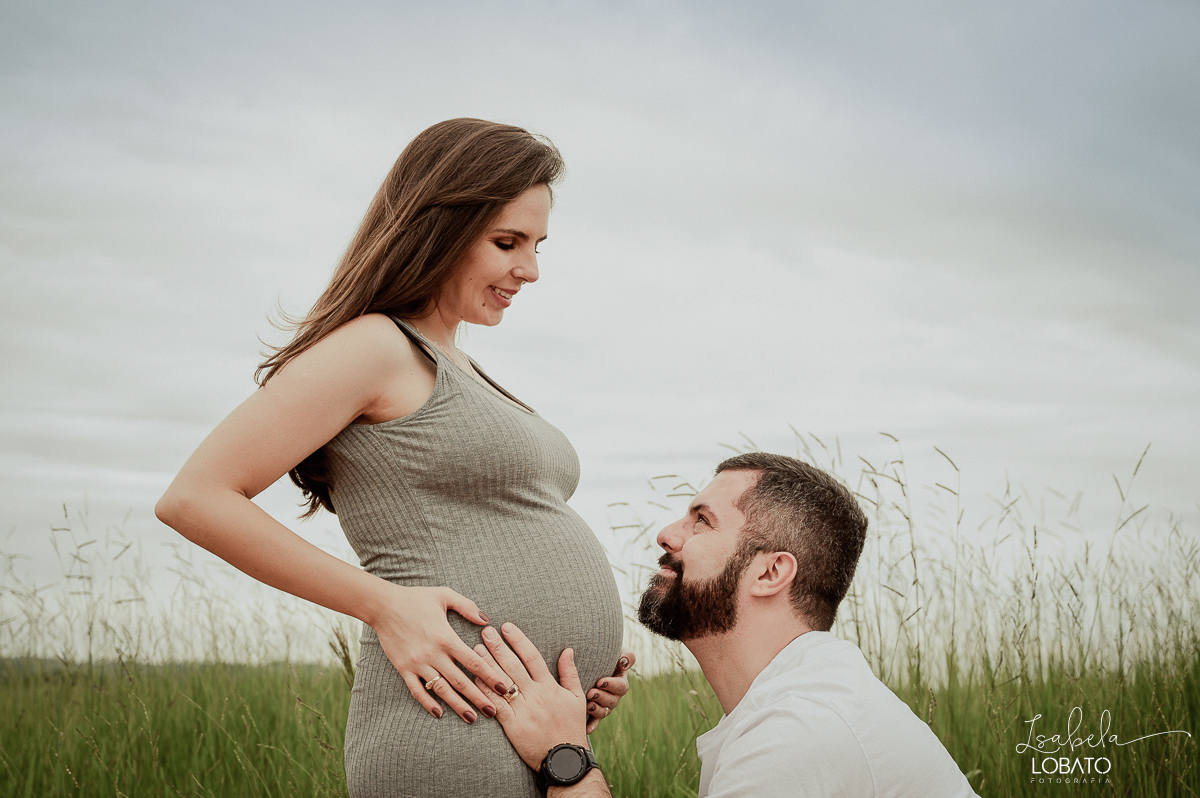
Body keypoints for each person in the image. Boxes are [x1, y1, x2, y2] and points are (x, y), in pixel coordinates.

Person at [155, 118, 633, 798]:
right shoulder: (376, 346)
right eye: (508, 243)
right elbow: (195, 497)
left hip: (524, 725)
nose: (529, 270)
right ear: (440, 227)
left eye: (537, 246)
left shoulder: (457, 362)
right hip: (447, 723)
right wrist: (384, 607)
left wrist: (579, 677)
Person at [474, 452, 979, 797]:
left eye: (702, 520)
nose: (668, 534)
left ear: (770, 572)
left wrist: (567, 759)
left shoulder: (799, 730)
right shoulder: (802, 699)